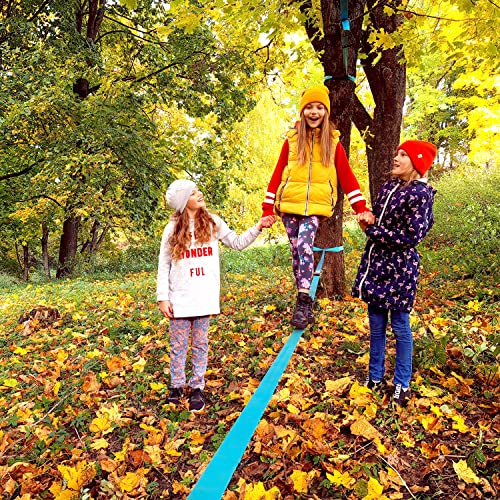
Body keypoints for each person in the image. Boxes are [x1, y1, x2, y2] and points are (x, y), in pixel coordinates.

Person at [157, 179, 275, 412]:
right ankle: (177, 386)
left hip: (203, 298)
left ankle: (197, 387)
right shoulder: (171, 228)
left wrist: (258, 226)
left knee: (200, 343)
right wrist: (163, 297)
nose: (199, 194)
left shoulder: (212, 223)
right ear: (183, 202)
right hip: (180, 298)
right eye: (193, 193)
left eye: (198, 190)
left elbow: (238, 243)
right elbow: (164, 263)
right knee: (178, 345)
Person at [262, 84, 369, 329]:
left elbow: (347, 177)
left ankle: (303, 300)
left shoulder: (333, 143)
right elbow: (277, 174)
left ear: (326, 112)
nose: (314, 112)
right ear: (302, 112)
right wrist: (267, 209)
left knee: (304, 246)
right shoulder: (291, 142)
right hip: (289, 205)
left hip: (315, 208)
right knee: (297, 253)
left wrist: (360, 206)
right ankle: (304, 298)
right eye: (309, 107)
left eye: (319, 107)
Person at [352, 140, 437, 406]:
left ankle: (402, 384)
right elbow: (378, 215)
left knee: (400, 327)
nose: (396, 158)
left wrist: (372, 231)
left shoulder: (421, 194)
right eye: (397, 152)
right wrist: (368, 216)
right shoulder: (389, 186)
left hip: (400, 269)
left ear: (416, 163)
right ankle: (374, 378)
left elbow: (412, 235)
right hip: (377, 264)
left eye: (404, 155)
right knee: (376, 325)